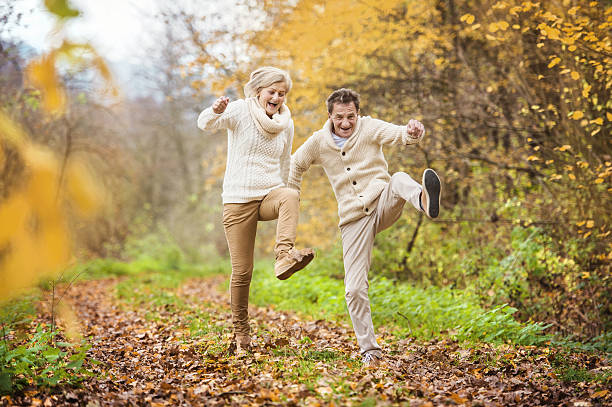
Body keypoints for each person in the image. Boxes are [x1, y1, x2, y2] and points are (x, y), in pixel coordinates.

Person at [288, 88, 441, 367]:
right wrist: (291, 198)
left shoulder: (369, 128)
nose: (345, 123)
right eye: (339, 118)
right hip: (353, 220)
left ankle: (423, 199)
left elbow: (399, 134)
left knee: (399, 178)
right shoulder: (318, 142)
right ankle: (369, 350)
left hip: (382, 200)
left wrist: (413, 131)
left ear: (358, 113)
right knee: (354, 289)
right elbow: (295, 165)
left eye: (351, 117)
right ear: (330, 116)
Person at [197, 67, 314, 353]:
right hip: (238, 200)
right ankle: (242, 336)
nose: (276, 98)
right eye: (272, 92)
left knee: (290, 194)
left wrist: (290, 196)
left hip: (268, 195)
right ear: (258, 91)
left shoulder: (287, 122)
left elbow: (287, 162)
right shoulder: (240, 110)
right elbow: (205, 124)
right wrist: (215, 109)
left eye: (282, 93)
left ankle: (284, 257)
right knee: (242, 272)